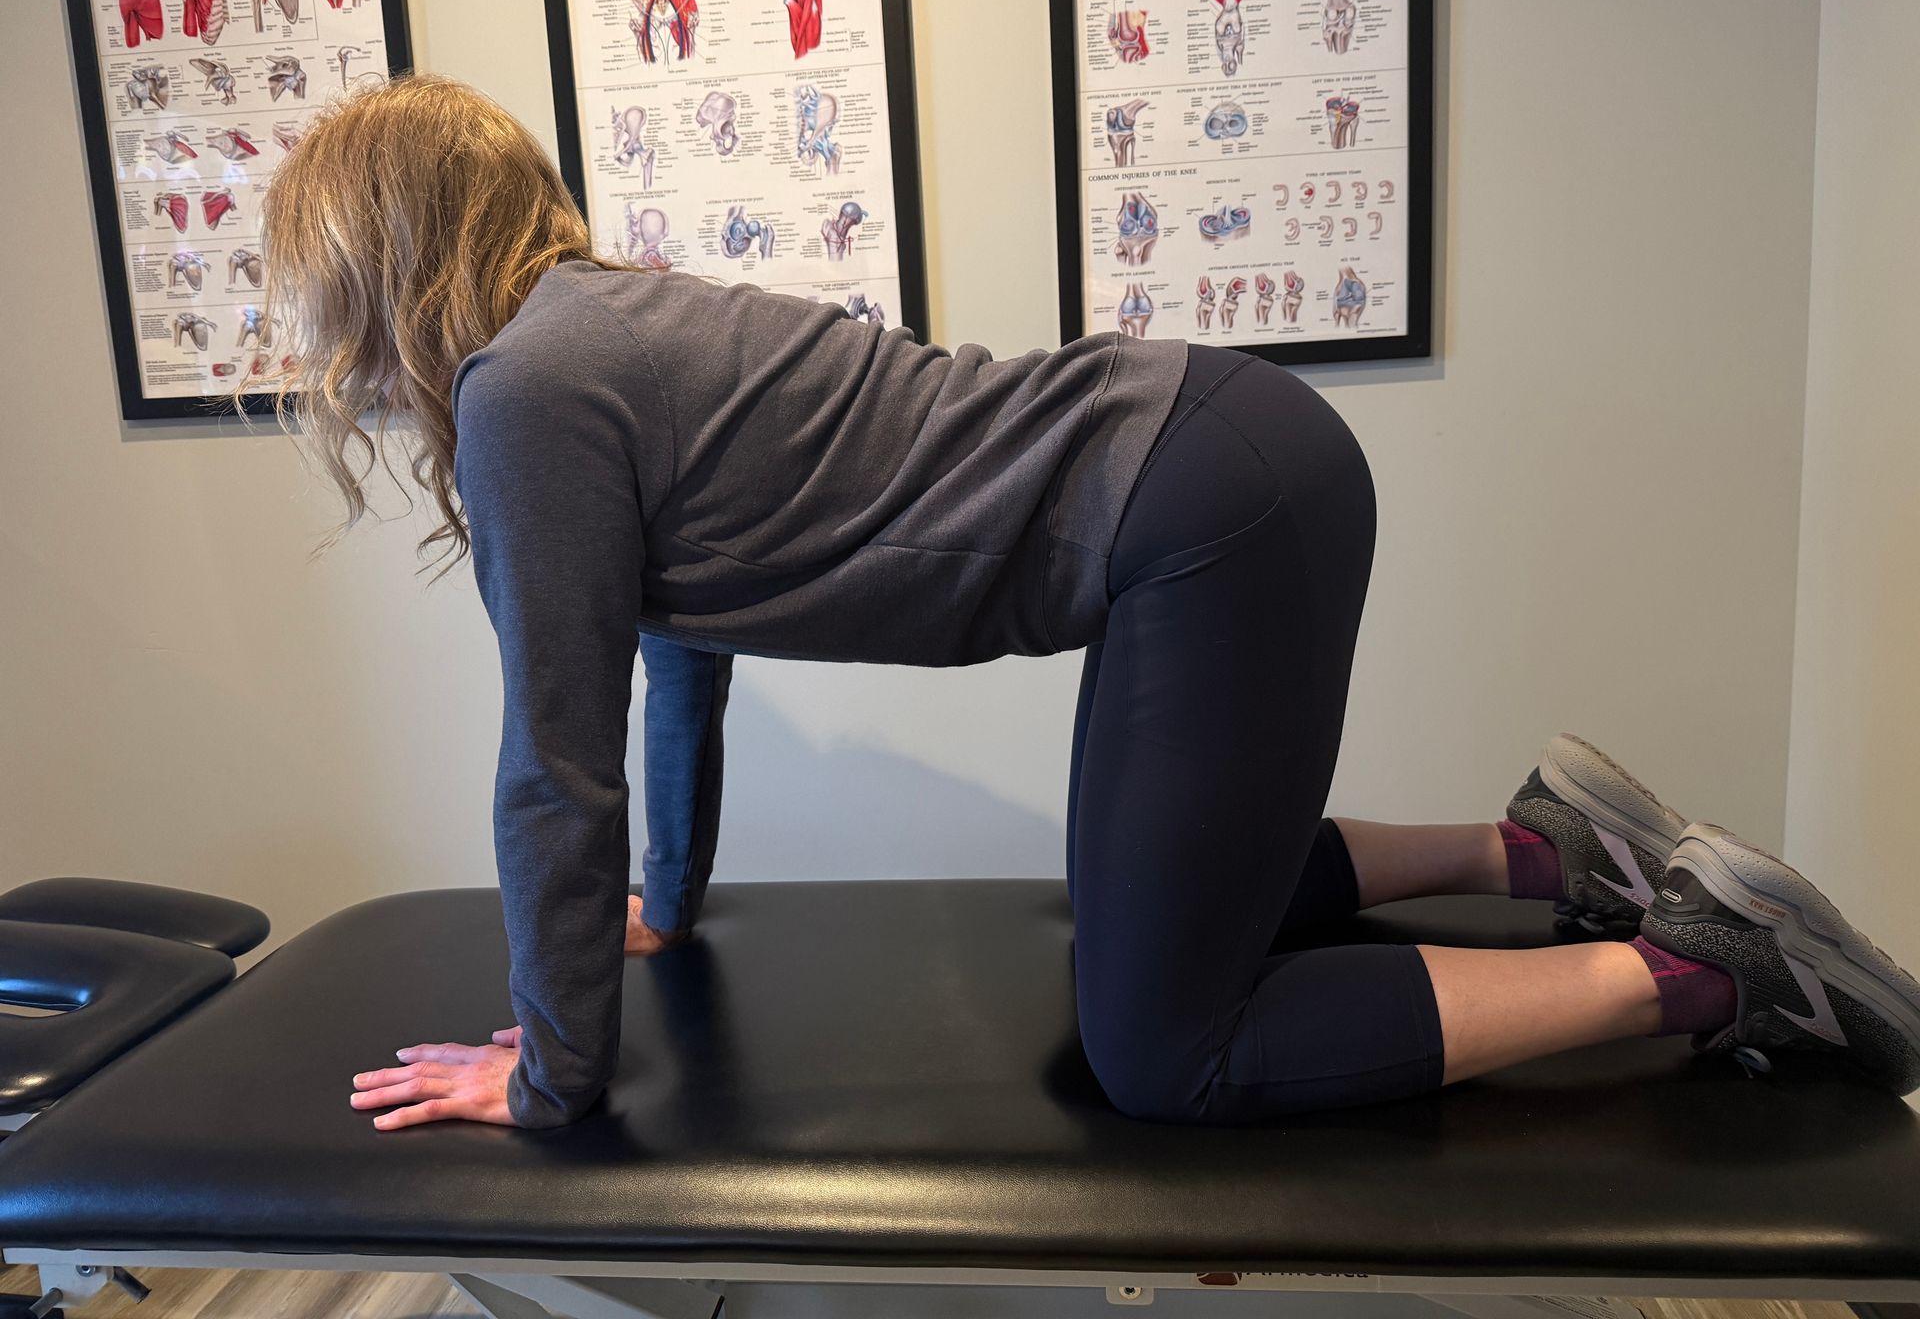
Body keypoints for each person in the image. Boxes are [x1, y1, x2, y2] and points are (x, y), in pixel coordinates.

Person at [251, 76, 1920, 1132]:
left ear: (378, 260)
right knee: (1155, 903)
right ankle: (1547, 853)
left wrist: (551, 1077)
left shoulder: (527, 388)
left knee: (1166, 1049)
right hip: (1221, 459)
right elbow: (675, 653)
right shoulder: (610, 334)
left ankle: (1702, 968)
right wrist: (665, 906)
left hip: (1203, 503)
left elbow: (556, 762)